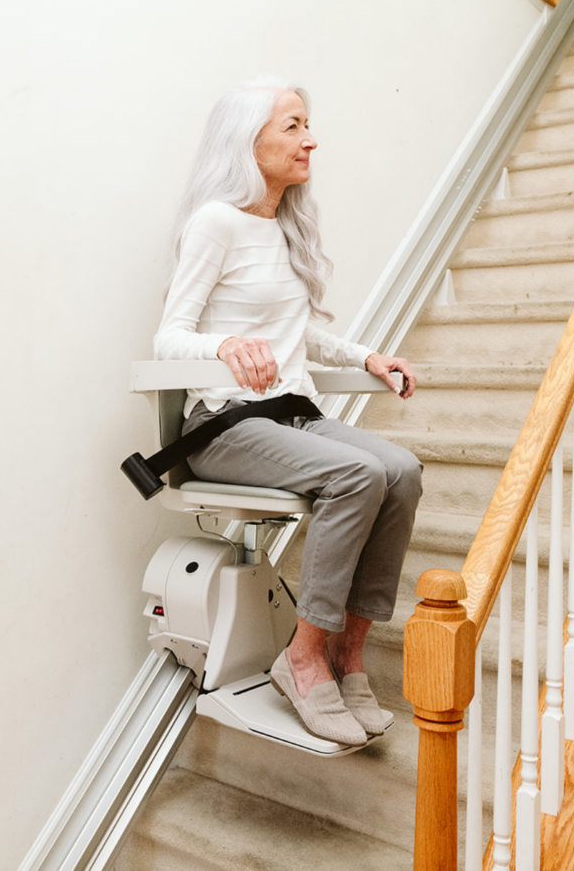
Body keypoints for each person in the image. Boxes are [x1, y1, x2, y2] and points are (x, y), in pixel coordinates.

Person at [154, 78, 423, 746]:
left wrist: (365, 357)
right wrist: (224, 345)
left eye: (308, 125)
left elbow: (294, 330)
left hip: (289, 416)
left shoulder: (284, 226)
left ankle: (346, 655)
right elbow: (169, 335)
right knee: (357, 474)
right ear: (250, 140)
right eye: (294, 126)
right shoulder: (216, 222)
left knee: (403, 470)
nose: (311, 139)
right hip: (226, 428)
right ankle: (301, 657)